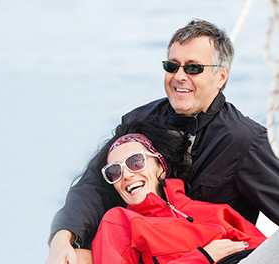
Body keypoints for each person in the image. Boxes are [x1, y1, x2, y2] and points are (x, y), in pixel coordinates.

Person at [46, 19, 279, 264]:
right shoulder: (140, 121)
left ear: (220, 76)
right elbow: (93, 186)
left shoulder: (244, 141)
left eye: (193, 68)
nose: (179, 76)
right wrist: (62, 238)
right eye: (172, 66)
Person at [92, 120, 276, 264]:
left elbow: (261, 247)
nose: (126, 174)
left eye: (135, 162)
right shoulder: (118, 221)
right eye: (114, 172)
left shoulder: (215, 211)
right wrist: (203, 257)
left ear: (161, 167)